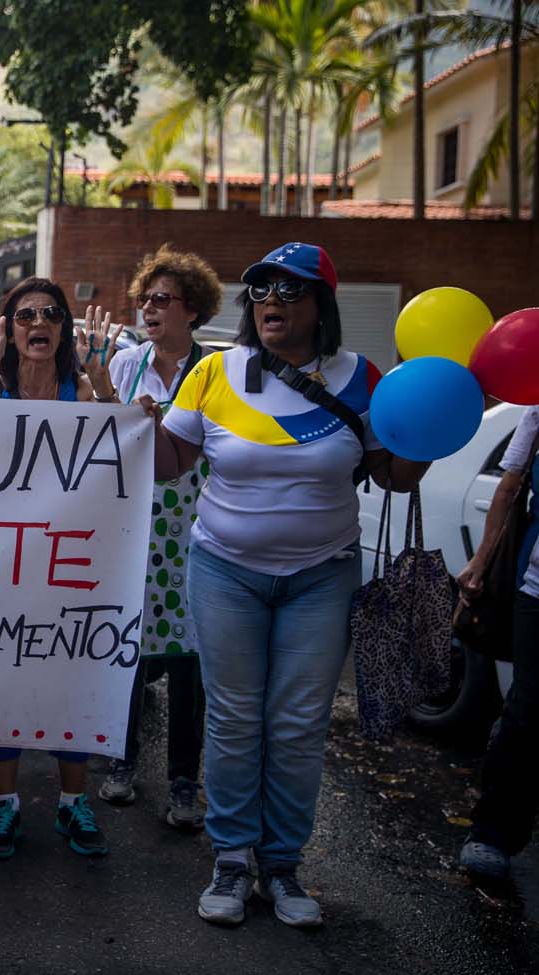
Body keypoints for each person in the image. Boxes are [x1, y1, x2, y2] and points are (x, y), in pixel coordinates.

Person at [145, 242, 426, 928]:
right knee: (236, 717)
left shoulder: (364, 379)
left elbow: (395, 476)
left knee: (298, 725)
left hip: (321, 577)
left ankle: (283, 866)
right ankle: (233, 859)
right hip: (224, 572)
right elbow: (170, 463)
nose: (271, 302)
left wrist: (426, 426)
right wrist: (134, 426)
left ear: (321, 305)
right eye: (261, 291)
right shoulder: (214, 372)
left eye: (289, 291)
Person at [0, 276, 112, 861]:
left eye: (50, 313)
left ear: (64, 328)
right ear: (8, 329)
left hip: (71, 568)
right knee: (5, 680)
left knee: (70, 679)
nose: (38, 323)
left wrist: (106, 382)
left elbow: (124, 446)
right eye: (24, 315)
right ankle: (6, 804)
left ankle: (74, 803)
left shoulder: (84, 394)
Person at [97, 245, 222, 832]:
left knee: (190, 663)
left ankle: (183, 783)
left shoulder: (216, 370)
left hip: (200, 528)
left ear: (192, 311)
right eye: (144, 299)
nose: (149, 308)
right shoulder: (124, 366)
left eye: (162, 299)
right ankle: (121, 763)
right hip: (136, 530)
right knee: (131, 650)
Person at [455, 406, 539, 881]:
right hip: (537, 592)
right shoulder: (536, 411)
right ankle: (492, 834)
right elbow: (508, 489)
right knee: (527, 711)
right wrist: (480, 563)